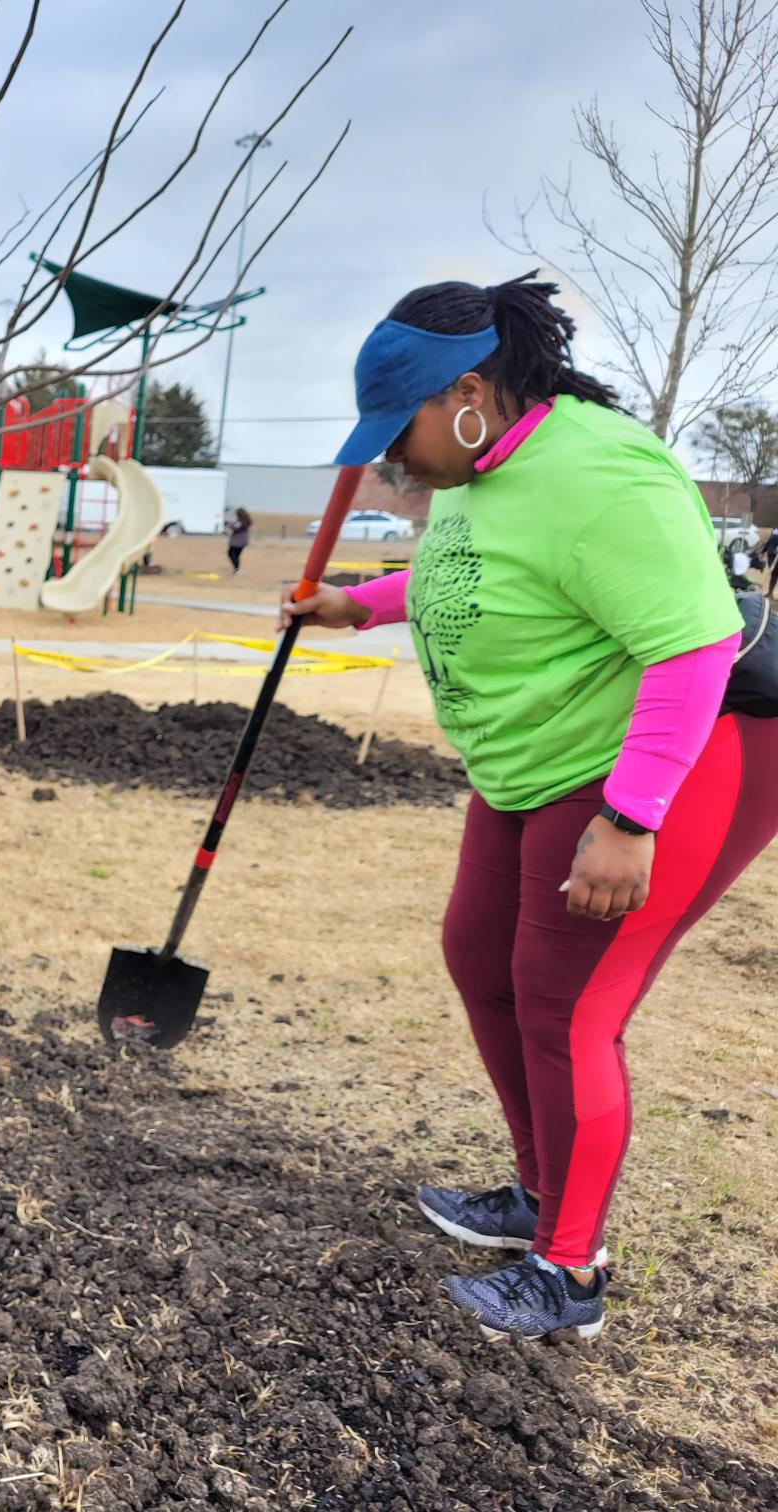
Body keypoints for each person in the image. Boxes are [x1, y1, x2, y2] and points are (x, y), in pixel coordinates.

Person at [284, 274, 776, 1342]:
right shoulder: (476, 468)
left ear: (469, 392)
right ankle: (541, 1190)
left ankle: (571, 1272)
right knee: (479, 957)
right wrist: (355, 604)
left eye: (397, 431)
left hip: (678, 755)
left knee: (565, 1002)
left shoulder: (603, 474)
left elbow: (691, 645)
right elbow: (462, 575)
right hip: (534, 762)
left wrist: (633, 816)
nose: (389, 459)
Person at [226, 505, 253, 575]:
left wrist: (229, 525)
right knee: (235, 555)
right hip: (242, 542)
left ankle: (237, 570)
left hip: (237, 542)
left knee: (232, 554)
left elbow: (236, 528)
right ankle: (236, 569)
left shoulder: (240, 522)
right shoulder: (246, 521)